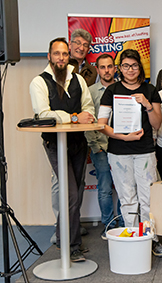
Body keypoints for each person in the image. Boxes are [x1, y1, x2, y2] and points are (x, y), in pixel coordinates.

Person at [29, 37, 95, 262]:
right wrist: (75, 118)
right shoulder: (39, 82)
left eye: (65, 54)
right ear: (49, 56)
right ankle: (68, 244)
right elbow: (43, 115)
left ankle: (70, 241)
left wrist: (84, 116)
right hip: (54, 143)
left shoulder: (77, 79)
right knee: (70, 194)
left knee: (77, 190)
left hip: (78, 143)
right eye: (56, 54)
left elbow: (88, 107)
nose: (61, 58)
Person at [97, 49, 162, 257]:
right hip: (119, 151)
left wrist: (147, 104)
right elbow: (101, 125)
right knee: (127, 197)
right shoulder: (111, 91)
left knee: (148, 198)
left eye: (134, 65)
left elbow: (157, 123)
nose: (130, 70)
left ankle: (150, 239)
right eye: (126, 66)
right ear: (120, 68)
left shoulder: (151, 89)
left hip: (145, 151)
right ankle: (132, 238)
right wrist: (123, 137)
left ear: (140, 68)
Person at [84, 54, 124, 240]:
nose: (107, 70)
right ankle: (108, 225)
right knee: (105, 188)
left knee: (124, 188)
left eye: (110, 66)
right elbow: (89, 120)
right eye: (102, 67)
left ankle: (124, 224)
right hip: (101, 146)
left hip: (122, 145)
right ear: (97, 69)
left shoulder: (123, 88)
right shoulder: (91, 91)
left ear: (115, 68)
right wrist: (95, 145)